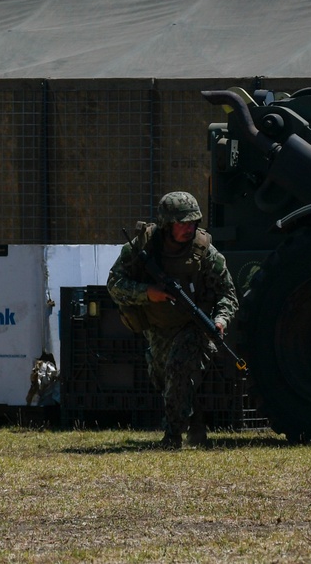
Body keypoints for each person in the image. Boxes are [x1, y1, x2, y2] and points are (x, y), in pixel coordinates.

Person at [107, 191, 238, 449]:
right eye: (182, 223)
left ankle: (172, 438)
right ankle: (195, 423)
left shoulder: (205, 253)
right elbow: (114, 284)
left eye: (192, 223)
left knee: (178, 370)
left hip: (195, 326)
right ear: (167, 224)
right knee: (165, 381)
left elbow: (228, 294)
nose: (188, 228)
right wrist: (147, 293)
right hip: (157, 328)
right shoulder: (143, 246)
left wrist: (221, 320)